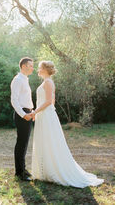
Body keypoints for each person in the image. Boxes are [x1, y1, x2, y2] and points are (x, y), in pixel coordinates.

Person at [31, 60, 104, 188]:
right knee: (45, 142)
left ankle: (52, 171)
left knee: (50, 142)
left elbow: (49, 101)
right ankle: (45, 171)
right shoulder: (47, 82)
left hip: (46, 115)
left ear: (46, 69)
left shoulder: (48, 82)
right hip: (45, 115)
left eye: (40, 68)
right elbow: (52, 102)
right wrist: (39, 114)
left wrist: (35, 112)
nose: (38, 70)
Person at [11, 57, 34, 181]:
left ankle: (23, 169)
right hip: (22, 115)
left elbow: (26, 99)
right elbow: (14, 100)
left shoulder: (25, 79)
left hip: (28, 113)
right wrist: (24, 115)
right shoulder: (18, 80)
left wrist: (32, 111)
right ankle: (19, 173)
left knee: (24, 144)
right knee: (21, 143)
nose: (32, 68)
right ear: (24, 66)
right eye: (31, 65)